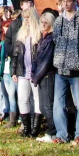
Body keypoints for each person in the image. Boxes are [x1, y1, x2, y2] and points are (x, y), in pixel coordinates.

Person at [52, 0, 79, 145]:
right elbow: (55, 40)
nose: (66, 4)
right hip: (60, 68)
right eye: (63, 1)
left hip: (76, 69)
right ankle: (62, 134)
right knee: (58, 104)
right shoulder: (58, 21)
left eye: (69, 1)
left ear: (75, 1)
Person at [3, 0, 35, 129]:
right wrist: (14, 53)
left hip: (33, 66)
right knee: (19, 95)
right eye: (25, 4)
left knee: (33, 97)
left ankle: (33, 122)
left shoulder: (36, 23)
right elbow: (8, 41)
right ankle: (20, 121)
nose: (27, 7)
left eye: (30, 4)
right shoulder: (15, 24)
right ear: (21, 7)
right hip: (19, 63)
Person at [12, 7, 42, 138]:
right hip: (22, 71)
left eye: (29, 17)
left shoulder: (40, 34)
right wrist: (13, 70)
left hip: (36, 73)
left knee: (37, 100)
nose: (27, 20)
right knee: (22, 99)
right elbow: (15, 54)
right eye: (25, 17)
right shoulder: (21, 34)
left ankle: (35, 129)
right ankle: (26, 128)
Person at [33, 12, 57, 143]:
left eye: (45, 22)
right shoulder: (42, 38)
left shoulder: (51, 39)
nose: (43, 24)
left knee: (47, 106)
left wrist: (36, 76)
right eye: (41, 21)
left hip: (48, 75)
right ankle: (51, 130)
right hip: (41, 76)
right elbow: (36, 59)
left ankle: (53, 132)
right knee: (42, 106)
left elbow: (46, 61)